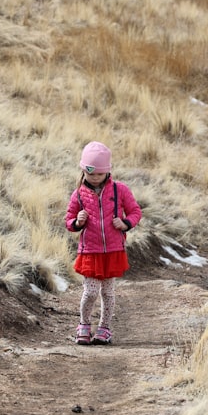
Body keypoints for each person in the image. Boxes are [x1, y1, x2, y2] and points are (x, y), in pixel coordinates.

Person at [65, 141, 142, 345]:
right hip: (90, 251)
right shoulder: (79, 194)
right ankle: (83, 324)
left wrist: (125, 223)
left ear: (107, 172)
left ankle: (104, 328)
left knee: (108, 293)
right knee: (90, 292)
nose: (95, 178)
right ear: (84, 171)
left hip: (113, 251)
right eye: (91, 174)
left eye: (99, 174)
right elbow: (69, 221)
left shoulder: (120, 190)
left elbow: (135, 212)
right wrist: (77, 221)